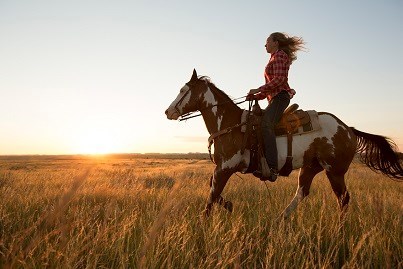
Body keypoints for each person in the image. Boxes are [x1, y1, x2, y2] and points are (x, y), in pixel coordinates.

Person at [247, 32, 305, 182]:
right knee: (259, 124)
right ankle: (262, 162)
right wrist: (256, 96)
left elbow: (280, 80)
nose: (265, 45)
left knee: (267, 125)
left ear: (276, 42)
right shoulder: (273, 57)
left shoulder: (279, 56)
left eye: (267, 41)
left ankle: (272, 167)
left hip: (280, 98)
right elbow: (270, 88)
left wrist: (258, 89)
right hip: (274, 98)